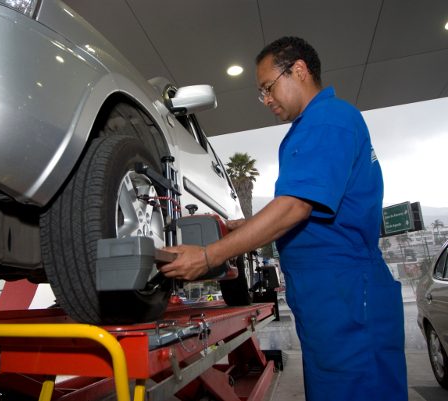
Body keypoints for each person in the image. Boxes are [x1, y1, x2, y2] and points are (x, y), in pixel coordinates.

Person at [160, 36, 407, 401]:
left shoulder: (328, 119)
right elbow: (302, 210)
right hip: (331, 298)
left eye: (268, 87)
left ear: (299, 70)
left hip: (348, 297)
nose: (266, 100)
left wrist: (209, 256)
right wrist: (243, 228)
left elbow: (295, 207)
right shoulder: (314, 125)